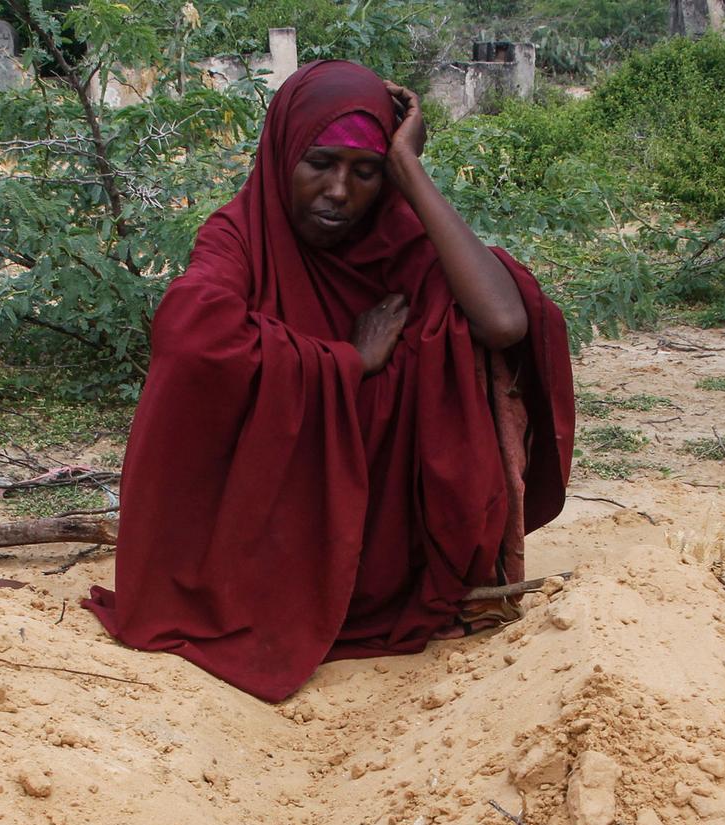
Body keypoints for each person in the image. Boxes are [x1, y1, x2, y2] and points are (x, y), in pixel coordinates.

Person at [86, 59, 573, 702]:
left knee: (456, 333)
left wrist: (410, 168)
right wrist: (347, 360)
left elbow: (506, 321)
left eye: (365, 171)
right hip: (269, 535)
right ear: (285, 151)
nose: (340, 191)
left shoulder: (396, 238)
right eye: (320, 163)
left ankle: (455, 579)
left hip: (387, 543)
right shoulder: (243, 234)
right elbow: (189, 334)